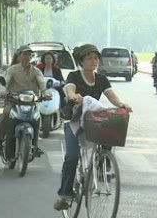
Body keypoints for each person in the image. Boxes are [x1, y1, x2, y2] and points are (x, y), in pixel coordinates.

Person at [53, 44, 132, 211]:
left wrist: (122, 104)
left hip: (92, 119)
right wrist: (73, 96)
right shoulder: (74, 76)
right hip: (74, 121)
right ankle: (65, 195)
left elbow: (112, 97)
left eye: (96, 58)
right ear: (81, 61)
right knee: (72, 157)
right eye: (89, 58)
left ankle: (102, 162)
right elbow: (69, 90)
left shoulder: (102, 79)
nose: (93, 61)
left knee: (112, 125)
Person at [0, 45, 46, 159]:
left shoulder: (36, 71)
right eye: (24, 54)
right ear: (19, 56)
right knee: (7, 113)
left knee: (37, 117)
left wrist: (46, 93)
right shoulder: (12, 70)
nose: (27, 57)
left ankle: (35, 145)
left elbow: (42, 84)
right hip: (13, 101)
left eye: (29, 54)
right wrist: (3, 91)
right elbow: (5, 83)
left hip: (31, 102)